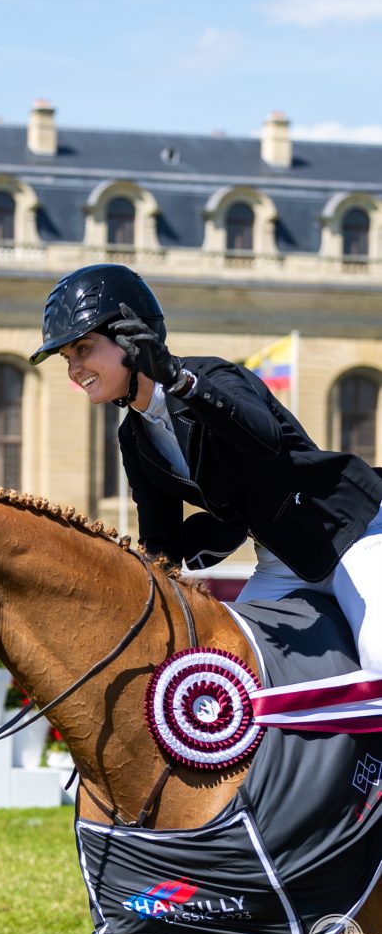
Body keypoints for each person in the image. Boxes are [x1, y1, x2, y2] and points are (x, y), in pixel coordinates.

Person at [30, 263, 382, 672]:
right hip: (281, 563)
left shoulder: (209, 375)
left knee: (379, 655)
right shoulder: (134, 437)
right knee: (227, 670)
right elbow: (160, 545)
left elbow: (266, 440)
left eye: (83, 349)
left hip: (350, 533)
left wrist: (181, 381)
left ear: (130, 338)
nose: (74, 370)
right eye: (67, 358)